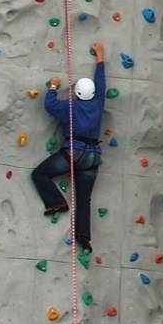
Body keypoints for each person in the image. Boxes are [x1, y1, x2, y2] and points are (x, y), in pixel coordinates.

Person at [32, 43, 106, 253]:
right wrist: (100, 58)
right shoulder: (98, 102)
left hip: (74, 152)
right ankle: (84, 237)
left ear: (77, 93)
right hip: (93, 157)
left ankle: (56, 202)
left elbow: (50, 105)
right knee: (84, 198)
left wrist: (54, 86)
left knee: (40, 174)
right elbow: (101, 84)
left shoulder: (70, 107)